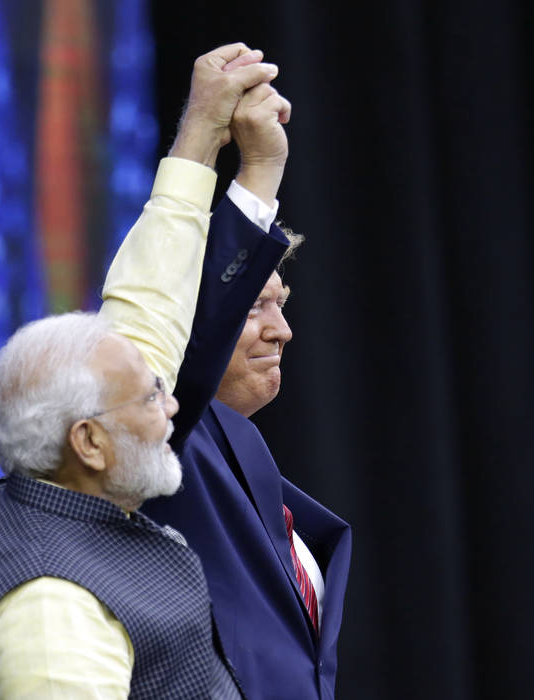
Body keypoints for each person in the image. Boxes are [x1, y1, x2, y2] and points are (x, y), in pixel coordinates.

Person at [0, 43, 292, 699]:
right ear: (90, 442)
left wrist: (203, 138)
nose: (174, 406)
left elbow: (149, 308)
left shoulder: (75, 476)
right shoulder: (49, 602)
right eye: (151, 397)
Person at [137, 59, 352, 700]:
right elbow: (189, 333)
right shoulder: (152, 443)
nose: (281, 331)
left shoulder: (255, 477)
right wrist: (256, 171)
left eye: (281, 305)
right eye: (255, 305)